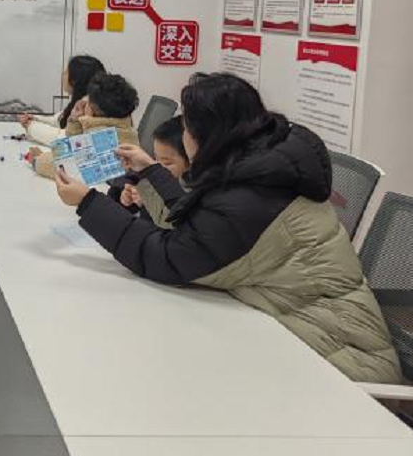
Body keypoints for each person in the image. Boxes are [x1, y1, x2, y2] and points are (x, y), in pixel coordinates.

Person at [54, 73, 402, 384]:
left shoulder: (248, 200)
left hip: (343, 365)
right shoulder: (258, 168)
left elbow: (164, 258)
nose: (183, 135)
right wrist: (150, 171)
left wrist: (88, 203)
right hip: (297, 331)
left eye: (187, 127)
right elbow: (195, 221)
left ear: (207, 134)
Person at [30, 72, 139, 180]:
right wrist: (75, 120)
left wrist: (37, 160)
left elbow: (67, 168)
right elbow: (75, 145)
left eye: (88, 101)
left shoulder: (102, 137)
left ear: (94, 109)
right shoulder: (123, 127)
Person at [118, 116, 189, 228]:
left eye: (167, 163)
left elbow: (169, 223)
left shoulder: (193, 194)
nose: (159, 167)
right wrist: (136, 195)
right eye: (156, 159)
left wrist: (146, 200)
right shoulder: (166, 178)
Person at [19, 55, 105, 146]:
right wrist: (36, 119)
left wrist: (31, 126)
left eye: (66, 72)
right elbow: (60, 120)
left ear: (75, 80)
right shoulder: (83, 100)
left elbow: (64, 140)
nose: (63, 74)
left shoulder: (87, 106)